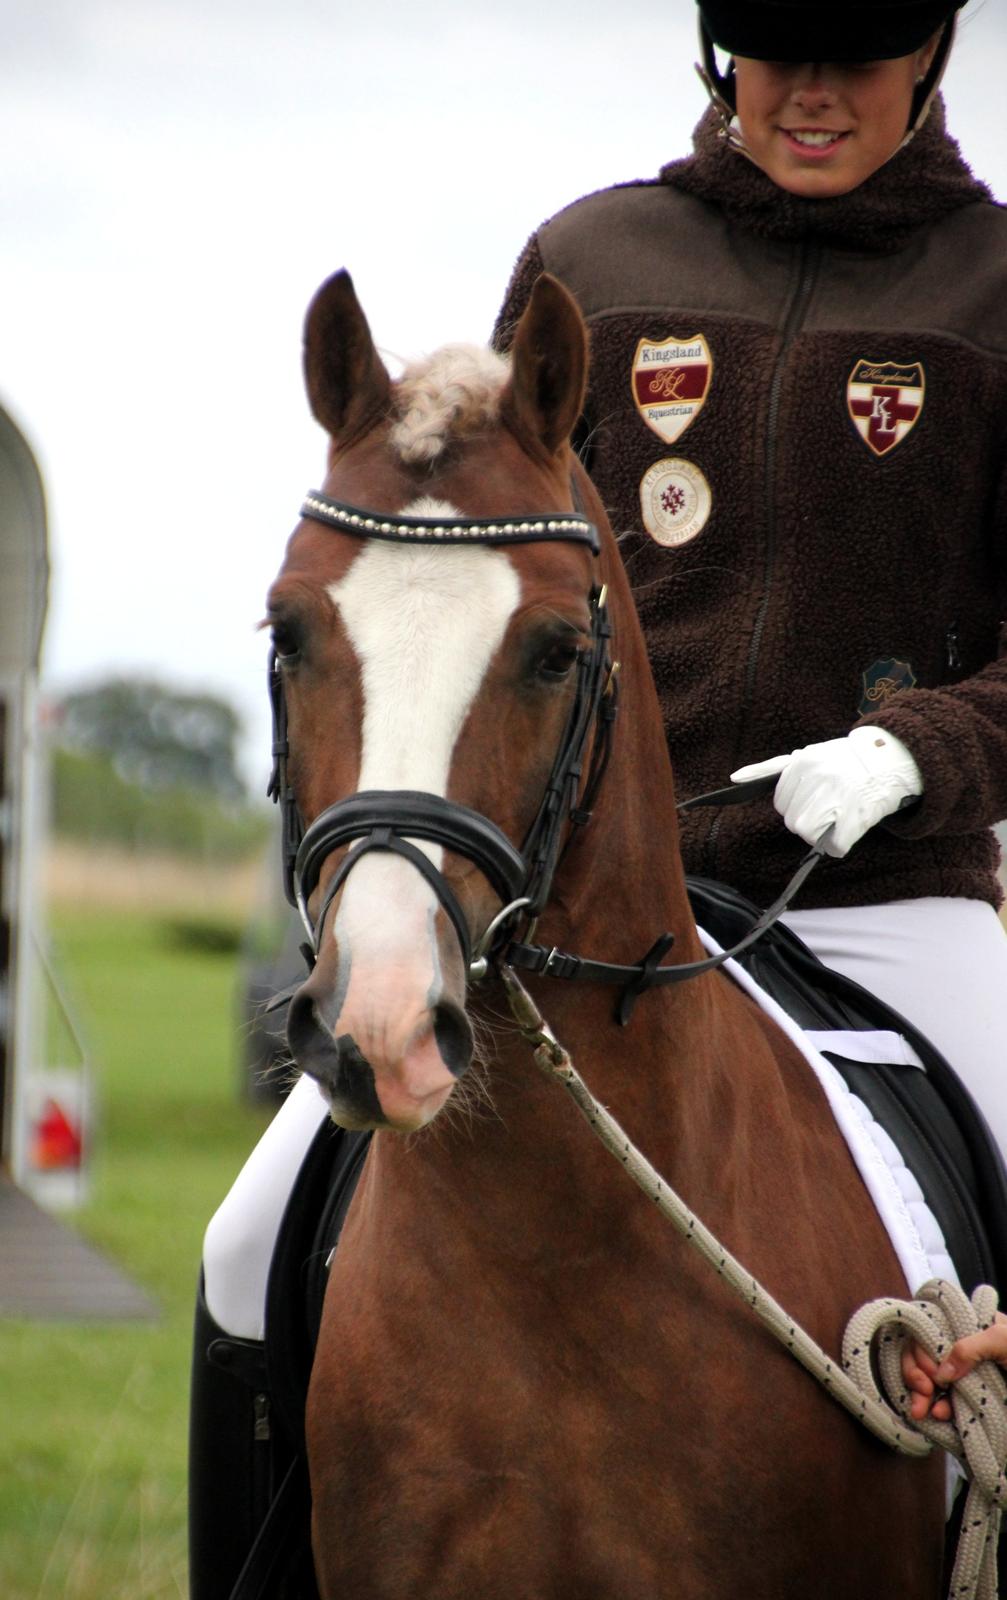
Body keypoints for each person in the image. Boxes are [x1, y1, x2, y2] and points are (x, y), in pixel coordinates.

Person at [190, 2, 1007, 1593]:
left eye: (859, 50)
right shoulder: (597, 261)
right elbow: (490, 540)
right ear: (722, 56)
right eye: (779, 47)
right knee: (244, 1247)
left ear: (930, 57)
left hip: (890, 905)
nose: (816, 91)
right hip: (582, 904)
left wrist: (924, 750)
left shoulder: (996, 288)